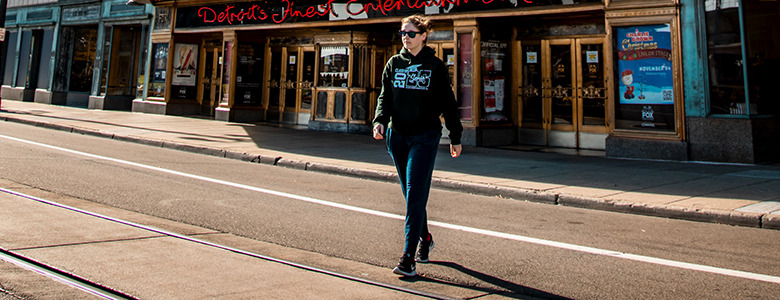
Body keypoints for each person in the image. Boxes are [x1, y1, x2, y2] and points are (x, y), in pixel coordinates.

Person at [372, 15, 463, 277]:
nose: (405, 37)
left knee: (414, 190)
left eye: (411, 33)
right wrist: (379, 120)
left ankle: (407, 257)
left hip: (424, 136)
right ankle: (425, 238)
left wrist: (455, 136)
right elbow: (385, 96)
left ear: (424, 36)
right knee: (410, 192)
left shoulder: (435, 66)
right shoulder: (393, 63)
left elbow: (448, 103)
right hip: (397, 135)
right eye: (402, 32)